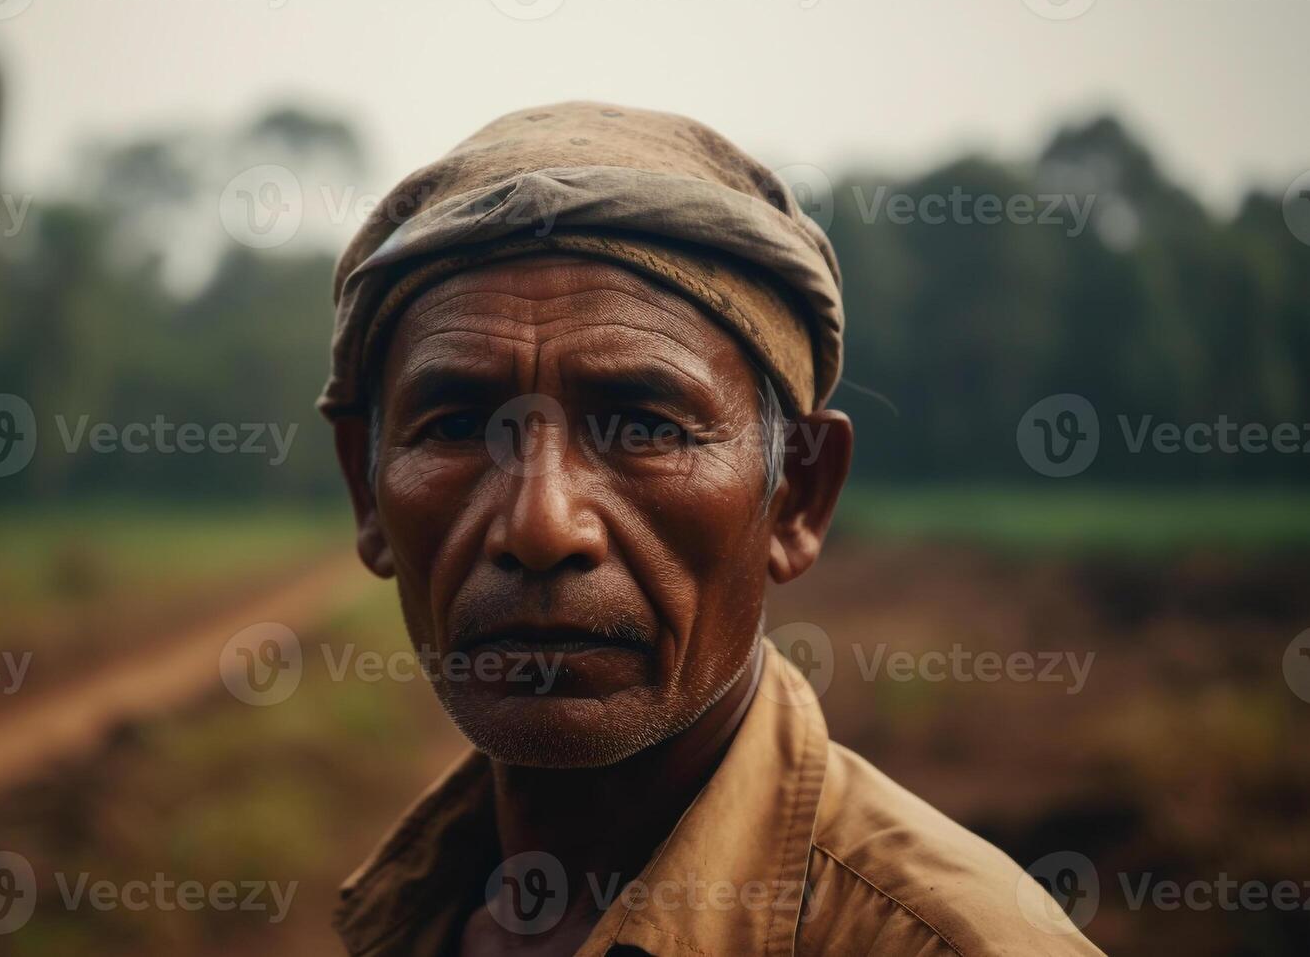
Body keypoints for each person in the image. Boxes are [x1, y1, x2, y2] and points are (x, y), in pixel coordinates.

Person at [318, 101, 1102, 956]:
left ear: (797, 495)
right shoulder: (419, 917)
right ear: (368, 492)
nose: (541, 526)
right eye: (459, 427)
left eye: (643, 427)